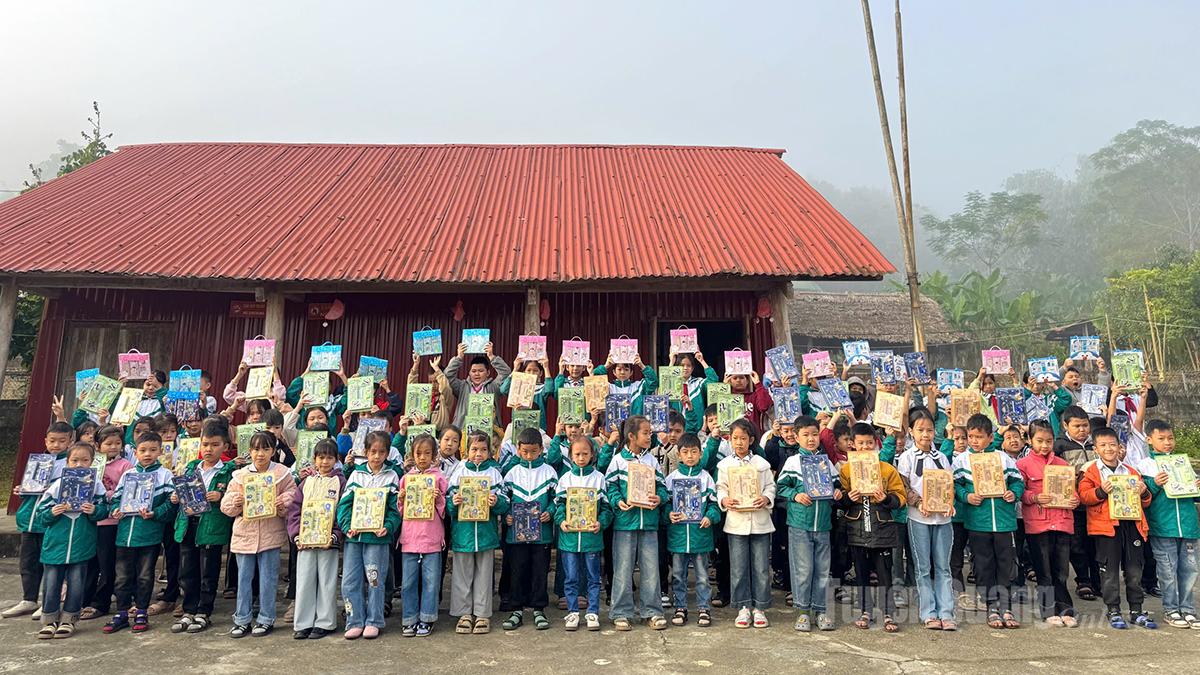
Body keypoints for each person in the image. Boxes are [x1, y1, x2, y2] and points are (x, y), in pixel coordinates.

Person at [220, 431, 297, 638]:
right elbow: (226, 504)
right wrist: (235, 503)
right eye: (255, 449)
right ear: (249, 451)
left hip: (270, 535)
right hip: (244, 534)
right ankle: (242, 618)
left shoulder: (282, 473)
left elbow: (293, 494)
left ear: (273, 451)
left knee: (268, 578)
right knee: (244, 578)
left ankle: (266, 618)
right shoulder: (240, 475)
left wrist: (284, 501)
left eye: (265, 449)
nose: (260, 454)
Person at [1079, 427, 1155, 629]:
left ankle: (1137, 610)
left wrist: (1144, 491)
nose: (1109, 449)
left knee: (1134, 569)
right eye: (1103, 445)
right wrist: (1101, 491)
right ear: (1095, 449)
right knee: (1109, 570)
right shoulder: (1091, 472)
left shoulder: (1130, 471)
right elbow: (1084, 497)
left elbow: (1146, 502)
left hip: (1132, 526)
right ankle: (1113, 610)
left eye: (1113, 444)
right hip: (1106, 528)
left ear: (1120, 447)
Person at [32, 442, 108, 638]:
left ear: (92, 463)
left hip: (81, 544)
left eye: (85, 460)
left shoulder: (96, 485)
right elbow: (41, 514)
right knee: (51, 583)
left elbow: (103, 510)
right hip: (55, 544)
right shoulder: (57, 485)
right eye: (74, 460)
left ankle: (69, 619)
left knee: (76, 583)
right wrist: (52, 512)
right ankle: (49, 620)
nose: (79, 465)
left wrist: (94, 511)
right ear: (67, 462)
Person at [954, 414, 1024, 629]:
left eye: (979, 437)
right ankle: (990, 605)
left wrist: (1013, 493)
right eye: (971, 436)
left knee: (1006, 564)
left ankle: (1006, 605)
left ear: (991, 437)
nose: (974, 441)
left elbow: (1017, 481)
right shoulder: (962, 460)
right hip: (978, 521)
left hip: (1004, 520)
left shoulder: (1003, 458)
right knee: (984, 564)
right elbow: (956, 486)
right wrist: (967, 496)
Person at [104, 431, 177, 634]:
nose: (147, 454)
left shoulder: (165, 475)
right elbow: (117, 498)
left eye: (153, 450)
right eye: (143, 450)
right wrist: (116, 510)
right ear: (135, 452)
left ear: (160, 452)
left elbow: (170, 507)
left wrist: (155, 513)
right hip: (125, 535)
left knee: (145, 576)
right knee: (122, 577)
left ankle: (142, 610)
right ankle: (122, 612)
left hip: (149, 535)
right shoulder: (128, 474)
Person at [605, 415, 670, 630]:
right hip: (625, 523)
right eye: (646, 433)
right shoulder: (618, 460)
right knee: (623, 569)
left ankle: (652, 611)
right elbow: (609, 488)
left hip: (649, 523)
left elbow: (662, 487)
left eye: (650, 432)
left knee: (651, 569)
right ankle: (621, 613)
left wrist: (659, 498)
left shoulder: (651, 460)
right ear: (631, 436)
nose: (649, 436)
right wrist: (618, 501)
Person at [775, 416, 840, 631]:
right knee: (803, 569)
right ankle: (803, 611)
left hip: (822, 524)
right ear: (796, 436)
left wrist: (838, 492)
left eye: (814, 434)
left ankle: (821, 610)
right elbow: (781, 488)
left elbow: (837, 484)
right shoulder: (793, 462)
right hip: (800, 523)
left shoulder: (825, 462)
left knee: (823, 570)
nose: (811, 439)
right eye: (806, 435)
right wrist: (796, 495)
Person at [839, 422, 906, 633]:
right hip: (857, 525)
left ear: (876, 443)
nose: (866, 447)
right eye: (861, 443)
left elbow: (901, 497)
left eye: (869, 442)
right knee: (861, 570)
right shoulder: (847, 469)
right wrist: (848, 498)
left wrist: (886, 498)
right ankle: (865, 610)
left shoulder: (886, 469)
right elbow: (840, 498)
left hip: (882, 526)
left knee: (884, 570)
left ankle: (888, 612)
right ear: (853, 444)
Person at [895, 408, 958, 631]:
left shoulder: (941, 457)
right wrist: (918, 502)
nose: (926, 435)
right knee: (922, 568)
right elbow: (903, 486)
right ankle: (929, 612)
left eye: (930, 430)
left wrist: (949, 503)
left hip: (943, 520)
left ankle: (947, 612)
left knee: (943, 567)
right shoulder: (906, 458)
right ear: (911, 431)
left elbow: (948, 485)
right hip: (918, 518)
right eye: (920, 430)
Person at [170, 421, 235, 634]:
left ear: (225, 446)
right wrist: (176, 497)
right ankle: (188, 610)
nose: (209, 449)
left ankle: (204, 611)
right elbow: (181, 492)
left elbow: (233, 496)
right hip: (189, 524)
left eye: (215, 445)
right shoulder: (191, 467)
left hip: (211, 526)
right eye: (205, 444)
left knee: (209, 571)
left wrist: (221, 496)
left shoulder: (227, 471)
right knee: (187, 570)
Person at [4, 421, 73, 619]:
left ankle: (48, 601)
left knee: (49, 563)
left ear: (70, 442)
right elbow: (28, 486)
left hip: (50, 522)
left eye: (62, 441)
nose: (56, 445)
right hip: (30, 519)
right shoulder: (37, 461)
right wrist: (22, 490)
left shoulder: (69, 463)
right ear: (45, 440)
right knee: (28, 562)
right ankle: (28, 598)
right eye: (52, 441)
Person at [337, 431, 401, 640]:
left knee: (375, 579)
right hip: (354, 537)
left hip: (377, 538)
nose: (376, 456)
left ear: (387, 453)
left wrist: (388, 526)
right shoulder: (356, 475)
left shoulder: (392, 476)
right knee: (350, 580)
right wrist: (347, 527)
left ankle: (374, 620)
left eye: (381, 452)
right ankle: (354, 620)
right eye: (373, 451)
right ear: (365, 452)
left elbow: (395, 509)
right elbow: (344, 505)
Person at [1137, 418, 1200, 628]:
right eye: (1161, 438)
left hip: (1189, 525)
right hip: (1163, 526)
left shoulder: (1183, 462)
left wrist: (1196, 486)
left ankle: (1188, 609)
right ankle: (1171, 609)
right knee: (1167, 570)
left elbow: (1192, 496)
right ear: (1149, 439)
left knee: (1190, 570)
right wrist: (1154, 484)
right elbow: (1143, 497)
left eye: (1170, 438)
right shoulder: (1146, 465)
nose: (1167, 443)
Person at [1017, 419, 1079, 627]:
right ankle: (1048, 609)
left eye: (1049, 441)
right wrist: (1033, 498)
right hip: (1038, 524)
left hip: (1062, 522)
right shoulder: (1023, 465)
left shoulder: (1063, 465)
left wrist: (1074, 500)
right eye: (1040, 441)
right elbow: (1020, 492)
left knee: (1061, 570)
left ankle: (1065, 607)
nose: (1044, 446)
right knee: (1043, 569)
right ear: (1029, 440)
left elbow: (1074, 493)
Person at [717, 418, 775, 629]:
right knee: (739, 566)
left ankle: (759, 607)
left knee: (760, 567)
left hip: (760, 521)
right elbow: (720, 488)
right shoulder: (725, 465)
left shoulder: (761, 464)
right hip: (736, 522)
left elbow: (771, 486)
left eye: (743, 438)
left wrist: (766, 498)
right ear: (729, 440)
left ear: (751, 440)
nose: (739, 442)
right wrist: (724, 500)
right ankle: (743, 607)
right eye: (735, 438)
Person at [447, 431, 508, 635]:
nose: (478, 454)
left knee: (484, 574)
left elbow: (505, 500)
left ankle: (482, 614)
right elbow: (447, 502)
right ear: (465, 450)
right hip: (463, 533)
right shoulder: (458, 470)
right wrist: (453, 503)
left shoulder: (494, 472)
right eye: (474, 449)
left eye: (483, 450)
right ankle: (464, 613)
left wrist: (496, 502)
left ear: (490, 452)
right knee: (462, 574)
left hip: (485, 534)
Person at [286, 439, 345, 640]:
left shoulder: (340, 482)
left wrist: (335, 534)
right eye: (321, 457)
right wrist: (296, 535)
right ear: (314, 459)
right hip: (306, 541)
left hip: (328, 542)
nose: (325, 462)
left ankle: (325, 622)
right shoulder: (305, 483)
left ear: (336, 460)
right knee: (304, 580)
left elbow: (342, 512)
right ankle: (303, 623)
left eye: (329, 457)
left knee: (327, 581)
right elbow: (294, 511)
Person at [501, 427, 558, 631]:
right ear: (518, 450)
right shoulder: (512, 473)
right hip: (515, 535)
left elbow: (556, 500)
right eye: (524, 451)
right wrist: (506, 514)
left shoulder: (549, 472)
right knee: (517, 571)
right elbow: (503, 499)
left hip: (541, 534)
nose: (528, 455)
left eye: (533, 451)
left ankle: (538, 609)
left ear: (541, 449)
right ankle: (516, 609)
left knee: (539, 572)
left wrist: (550, 512)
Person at [555, 436, 612, 631]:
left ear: (592, 455)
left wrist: (601, 523)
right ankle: (572, 613)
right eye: (577, 454)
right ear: (570, 455)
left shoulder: (598, 478)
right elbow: (559, 506)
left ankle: (593, 612)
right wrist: (561, 521)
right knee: (571, 577)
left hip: (591, 538)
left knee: (593, 577)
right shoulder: (565, 479)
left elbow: (606, 508)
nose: (581, 458)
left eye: (585, 454)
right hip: (569, 539)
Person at [80, 424, 132, 620]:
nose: (113, 447)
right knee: (89, 563)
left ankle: (101, 603)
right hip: (91, 520)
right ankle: (84, 600)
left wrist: (105, 492)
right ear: (97, 445)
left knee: (107, 564)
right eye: (108, 443)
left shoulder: (125, 466)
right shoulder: (92, 464)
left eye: (117, 443)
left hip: (111, 522)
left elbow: (127, 491)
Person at [399, 434, 449, 637]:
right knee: (409, 581)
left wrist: (438, 500)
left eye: (427, 453)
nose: (422, 458)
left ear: (434, 456)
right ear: (412, 455)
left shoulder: (439, 479)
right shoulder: (406, 479)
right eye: (418, 453)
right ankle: (409, 618)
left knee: (431, 581)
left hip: (431, 537)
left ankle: (427, 618)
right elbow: (401, 512)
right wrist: (401, 499)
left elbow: (445, 512)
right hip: (410, 538)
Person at [1055, 405, 1100, 601]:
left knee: (1096, 544)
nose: (1082, 430)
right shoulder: (1060, 446)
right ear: (1066, 426)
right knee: (1077, 544)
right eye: (1077, 426)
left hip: (1096, 503)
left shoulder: (1096, 445)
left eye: (1085, 425)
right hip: (1074, 504)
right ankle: (1083, 580)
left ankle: (1098, 581)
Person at [445, 341, 512, 429]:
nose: (477, 374)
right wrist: (459, 357)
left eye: (480, 371)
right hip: (464, 429)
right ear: (469, 373)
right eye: (473, 371)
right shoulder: (462, 387)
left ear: (488, 373)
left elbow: (506, 372)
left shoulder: (493, 386)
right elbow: (447, 375)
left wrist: (492, 357)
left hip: (487, 430)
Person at [669, 351, 719, 434]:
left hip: (697, 429)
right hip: (675, 430)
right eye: (682, 365)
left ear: (692, 368)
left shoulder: (698, 383)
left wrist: (702, 360)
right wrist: (671, 362)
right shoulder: (671, 385)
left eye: (688, 365)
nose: (685, 368)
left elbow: (713, 380)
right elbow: (663, 390)